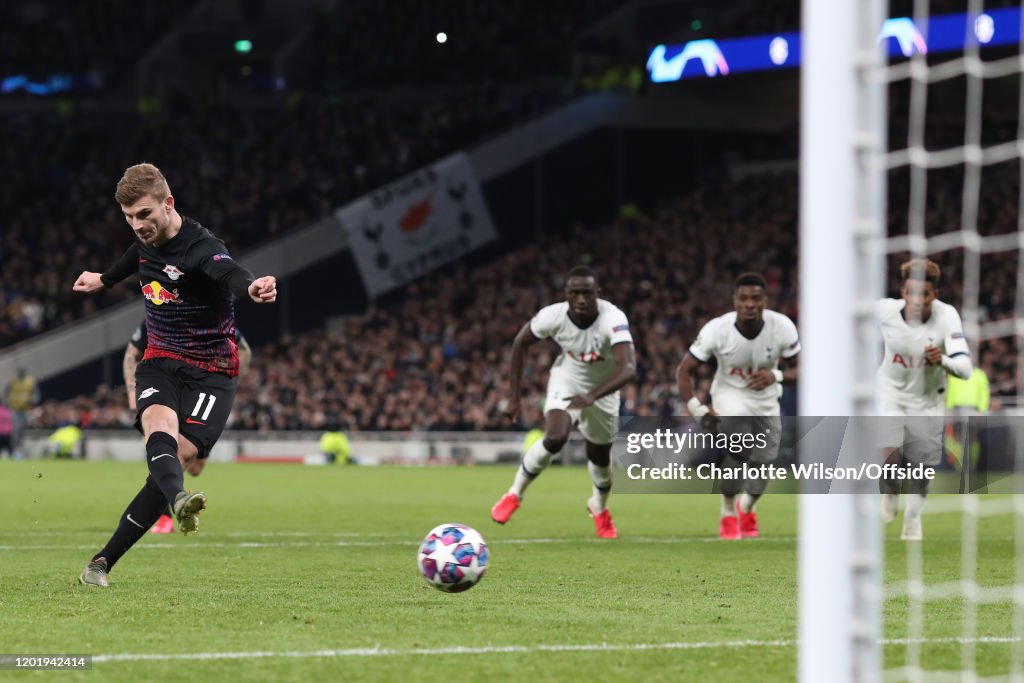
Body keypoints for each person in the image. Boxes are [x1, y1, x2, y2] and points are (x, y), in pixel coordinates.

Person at [72, 162, 277, 586]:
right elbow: (137, 256)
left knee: (181, 453)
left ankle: (102, 560)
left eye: (144, 215)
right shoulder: (144, 240)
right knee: (157, 428)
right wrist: (105, 280)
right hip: (161, 358)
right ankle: (177, 499)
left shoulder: (201, 247)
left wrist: (253, 287)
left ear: (168, 204)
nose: (137, 225)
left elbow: (228, 270)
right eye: (129, 218)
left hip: (212, 370)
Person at [490, 266, 636, 539]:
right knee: (555, 437)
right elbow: (520, 342)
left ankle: (599, 508)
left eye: (587, 293)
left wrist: (593, 396)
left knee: (600, 460)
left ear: (597, 294)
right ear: (566, 295)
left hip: (604, 390)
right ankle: (514, 494)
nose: (581, 299)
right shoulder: (552, 316)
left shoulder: (612, 318)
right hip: (567, 379)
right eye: (575, 293)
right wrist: (513, 396)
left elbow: (628, 368)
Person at [676, 272, 800, 540]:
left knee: (763, 466)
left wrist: (775, 375)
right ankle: (728, 512)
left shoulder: (783, 327)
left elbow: (800, 369)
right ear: (735, 301)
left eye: (756, 298)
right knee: (741, 444)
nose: (750, 304)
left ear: (765, 301)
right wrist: (698, 409)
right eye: (743, 298)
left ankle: (746, 507)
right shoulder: (716, 330)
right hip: (729, 395)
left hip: (767, 401)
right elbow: (684, 370)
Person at [124, 318, 253, 533]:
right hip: (166, 389)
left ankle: (173, 502)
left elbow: (244, 349)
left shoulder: (210, 315)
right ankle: (166, 514)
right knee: (163, 451)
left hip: (202, 390)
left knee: (194, 468)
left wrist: (230, 382)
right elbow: (130, 354)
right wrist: (131, 390)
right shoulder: (156, 317)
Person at [877, 259, 971, 540]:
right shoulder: (884, 311)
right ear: (903, 292)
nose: (917, 300)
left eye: (924, 294)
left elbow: (965, 369)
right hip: (889, 393)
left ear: (935, 295)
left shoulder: (947, 316)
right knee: (888, 457)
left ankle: (913, 517)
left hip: (928, 401)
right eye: (911, 293)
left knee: (921, 471)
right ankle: (890, 492)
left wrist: (942, 359)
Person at [5, 366, 40, 459]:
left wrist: (32, 400)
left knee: (22, 430)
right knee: (15, 430)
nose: (21, 373)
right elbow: (5, 393)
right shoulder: (12, 381)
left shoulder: (30, 381)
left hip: (25, 409)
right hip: (14, 409)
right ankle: (14, 450)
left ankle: (19, 450)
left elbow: (36, 394)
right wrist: (7, 402)